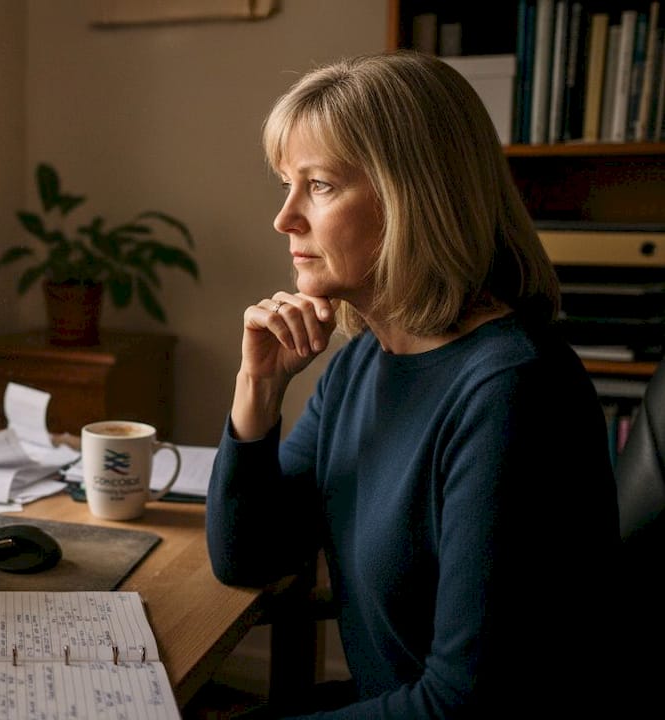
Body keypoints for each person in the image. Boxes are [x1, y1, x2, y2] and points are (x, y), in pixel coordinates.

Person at [206, 51, 621, 718]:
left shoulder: (511, 391)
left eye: (320, 185)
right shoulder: (362, 362)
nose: (285, 219)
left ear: (414, 197)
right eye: (287, 184)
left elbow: (462, 704)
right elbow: (247, 557)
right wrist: (256, 390)